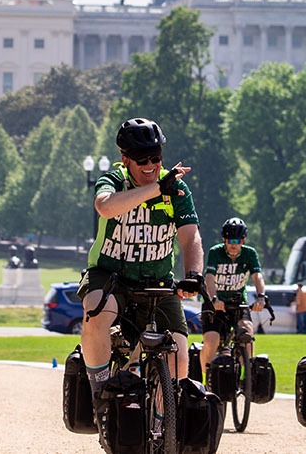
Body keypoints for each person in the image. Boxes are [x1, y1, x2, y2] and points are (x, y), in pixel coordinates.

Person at [79, 118, 203, 406]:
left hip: (158, 281)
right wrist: (157, 188)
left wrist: (193, 274)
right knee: (96, 310)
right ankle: (99, 395)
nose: (150, 165)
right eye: (141, 159)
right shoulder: (114, 180)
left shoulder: (177, 189)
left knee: (180, 359)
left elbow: (190, 237)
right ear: (125, 159)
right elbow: (105, 207)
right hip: (111, 276)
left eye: (155, 158)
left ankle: (161, 421)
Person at [199, 217, 266, 369]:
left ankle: (246, 375)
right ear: (224, 239)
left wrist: (261, 297)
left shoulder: (249, 253)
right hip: (215, 304)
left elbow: (257, 277)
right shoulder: (216, 252)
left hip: (238, 303)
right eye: (230, 241)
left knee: (247, 334)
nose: (234, 245)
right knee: (212, 341)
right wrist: (214, 299)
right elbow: (209, 277)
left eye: (237, 241)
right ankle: (207, 375)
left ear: (243, 240)